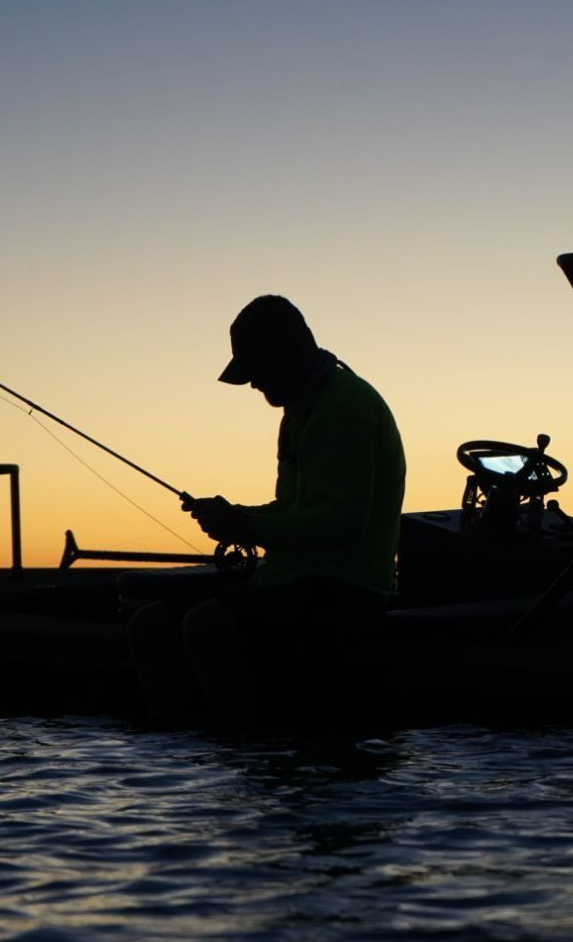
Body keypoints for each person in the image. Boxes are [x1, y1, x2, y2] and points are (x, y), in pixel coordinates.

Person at [128, 295, 405, 726]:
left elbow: (342, 523)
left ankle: (241, 744)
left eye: (256, 370)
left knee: (206, 626)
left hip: (343, 590)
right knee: (149, 623)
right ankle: (178, 756)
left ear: (287, 355)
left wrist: (245, 526)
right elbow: (292, 509)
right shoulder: (299, 412)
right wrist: (237, 516)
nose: (254, 384)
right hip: (293, 580)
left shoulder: (345, 410)